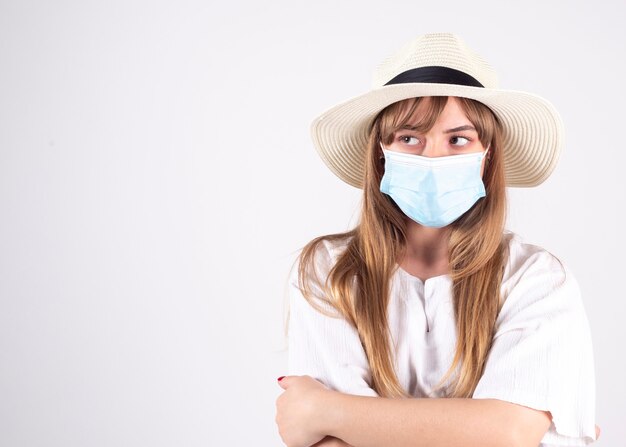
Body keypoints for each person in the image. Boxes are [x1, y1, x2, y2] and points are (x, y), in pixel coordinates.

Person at [275, 33, 597, 447]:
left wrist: (324, 411)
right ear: (380, 153)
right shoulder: (330, 271)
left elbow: (510, 433)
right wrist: (478, 428)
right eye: (409, 138)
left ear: (488, 156)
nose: (433, 158)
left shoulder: (536, 278)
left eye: (458, 139)